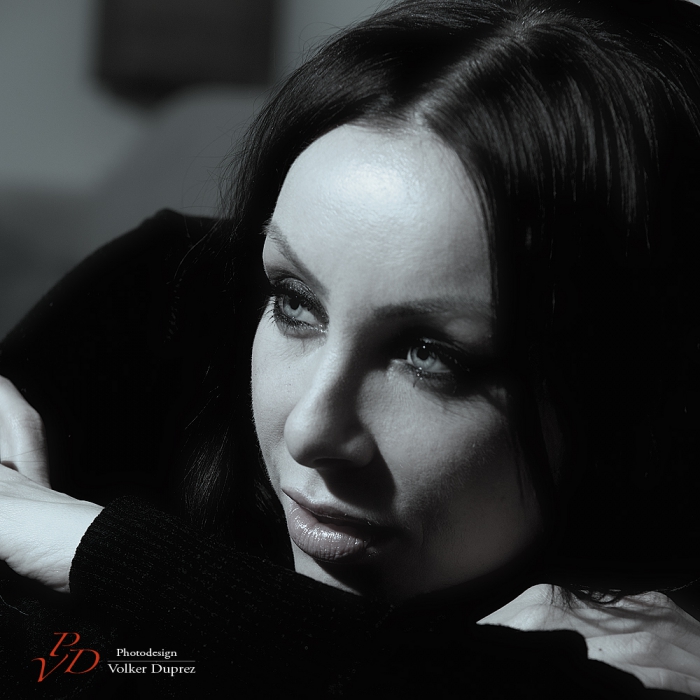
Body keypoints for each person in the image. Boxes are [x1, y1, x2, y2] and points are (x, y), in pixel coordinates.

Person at [0, 0, 700, 696]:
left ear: (631, 394)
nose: (311, 431)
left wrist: (89, 546)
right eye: (294, 303)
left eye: (431, 356)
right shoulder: (166, 305)